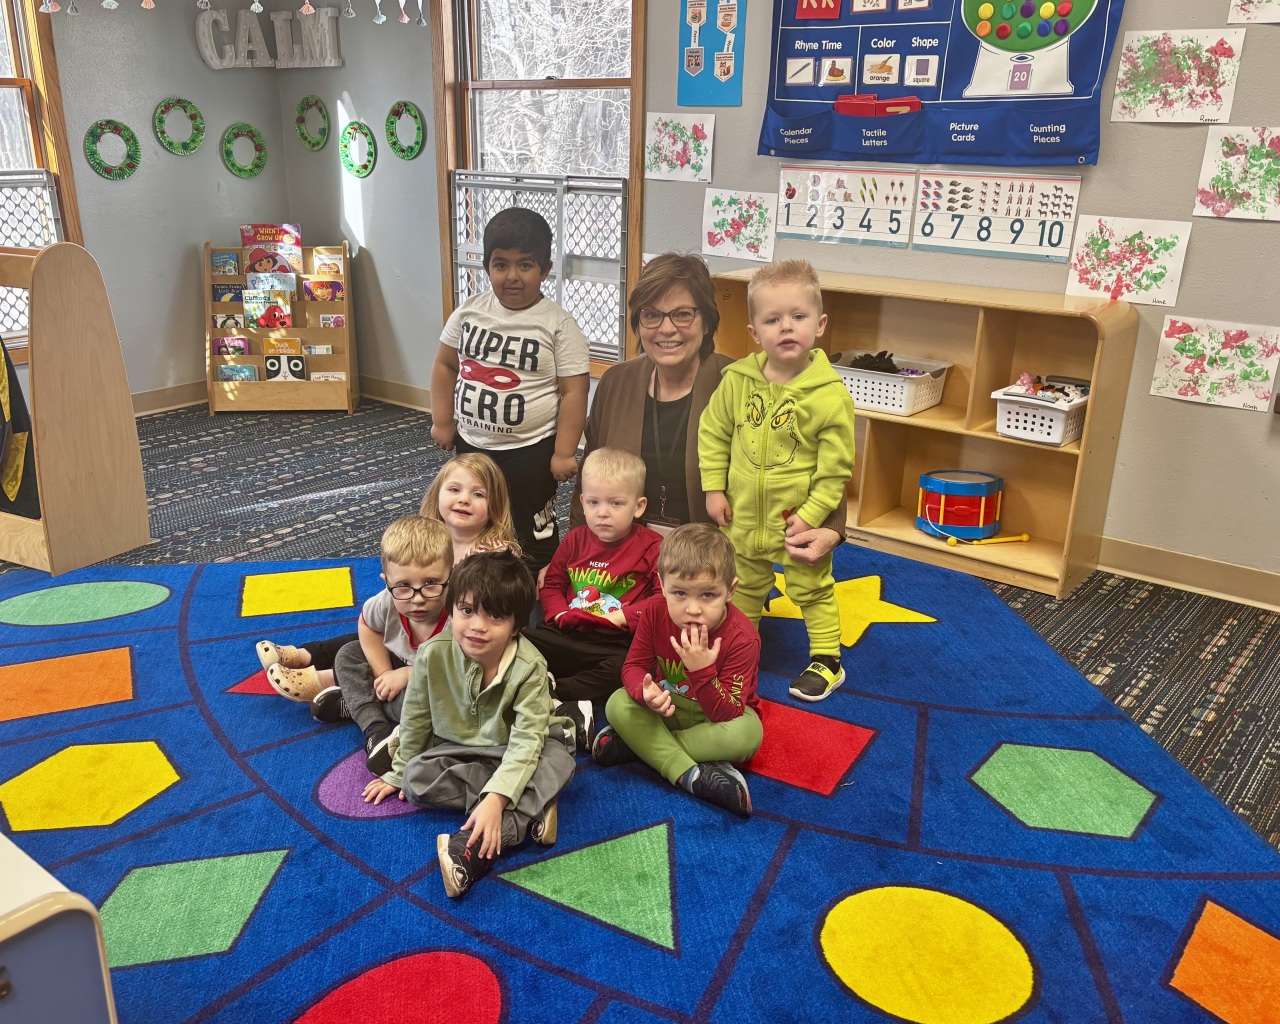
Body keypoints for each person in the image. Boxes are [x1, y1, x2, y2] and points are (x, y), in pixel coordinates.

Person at [576, 253, 845, 566]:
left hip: (713, 560)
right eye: (651, 315)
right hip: (624, 556)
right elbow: (589, 476)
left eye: (682, 314)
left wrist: (833, 528)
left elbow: (815, 457)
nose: (666, 328)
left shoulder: (742, 383)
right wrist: (577, 554)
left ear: (706, 322)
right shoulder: (615, 382)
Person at [362, 550, 576, 899]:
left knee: (560, 758)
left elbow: (526, 742)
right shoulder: (432, 654)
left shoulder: (530, 666)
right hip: (459, 750)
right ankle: (532, 811)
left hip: (517, 750)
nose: (477, 626)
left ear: (517, 625)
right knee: (415, 780)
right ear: (452, 609)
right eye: (466, 611)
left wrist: (495, 800)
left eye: (495, 617)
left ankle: (474, 848)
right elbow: (415, 720)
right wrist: (398, 771)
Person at [698, 260, 856, 703]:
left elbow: (836, 469)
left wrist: (812, 515)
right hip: (744, 515)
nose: (786, 327)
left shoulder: (829, 395)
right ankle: (741, 648)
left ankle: (827, 658)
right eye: (772, 320)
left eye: (798, 317)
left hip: (796, 521)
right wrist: (714, 487)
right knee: (744, 584)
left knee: (811, 587)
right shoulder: (737, 382)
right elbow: (713, 433)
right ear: (754, 332)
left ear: (820, 325)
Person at [429, 207, 590, 571]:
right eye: (501, 265)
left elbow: (574, 392)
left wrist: (564, 453)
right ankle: (475, 574)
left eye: (525, 265)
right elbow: (445, 365)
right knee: (471, 516)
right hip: (472, 443)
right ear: (488, 267)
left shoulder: (557, 325)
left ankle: (537, 582)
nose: (512, 276)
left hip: (530, 451)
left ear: (545, 270)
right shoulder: (470, 313)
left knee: (529, 522)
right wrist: (442, 421)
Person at [593, 524, 761, 818]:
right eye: (680, 593)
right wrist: (644, 692)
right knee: (617, 703)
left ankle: (641, 747)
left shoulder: (742, 637)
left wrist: (702, 671)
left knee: (749, 733)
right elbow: (633, 666)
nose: (692, 609)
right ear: (662, 584)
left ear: (730, 591)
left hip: (718, 719)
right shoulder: (656, 611)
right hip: (668, 709)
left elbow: (729, 713)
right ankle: (690, 774)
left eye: (708, 595)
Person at [524, 447, 662, 749]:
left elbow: (663, 598)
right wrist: (558, 613)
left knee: (629, 669)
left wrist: (625, 616)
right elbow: (552, 584)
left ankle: (555, 691)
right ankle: (556, 693)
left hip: (613, 641)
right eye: (594, 502)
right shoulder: (575, 540)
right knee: (517, 642)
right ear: (582, 503)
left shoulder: (652, 545)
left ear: (638, 507)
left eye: (616, 503)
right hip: (567, 631)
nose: (603, 512)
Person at [316, 516, 453, 775]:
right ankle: (376, 730)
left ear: (452, 574)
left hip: (438, 681)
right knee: (348, 654)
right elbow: (367, 626)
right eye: (402, 586)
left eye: (431, 584)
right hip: (397, 666)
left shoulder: (461, 611)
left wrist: (408, 674)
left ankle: (356, 704)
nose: (418, 599)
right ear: (386, 580)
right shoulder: (386, 602)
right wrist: (384, 674)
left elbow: (464, 665)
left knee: (430, 710)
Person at [419, 452, 521, 564]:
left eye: (478, 494)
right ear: (436, 494)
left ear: (495, 504)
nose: (464, 499)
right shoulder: (423, 538)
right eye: (454, 490)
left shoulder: (496, 558)